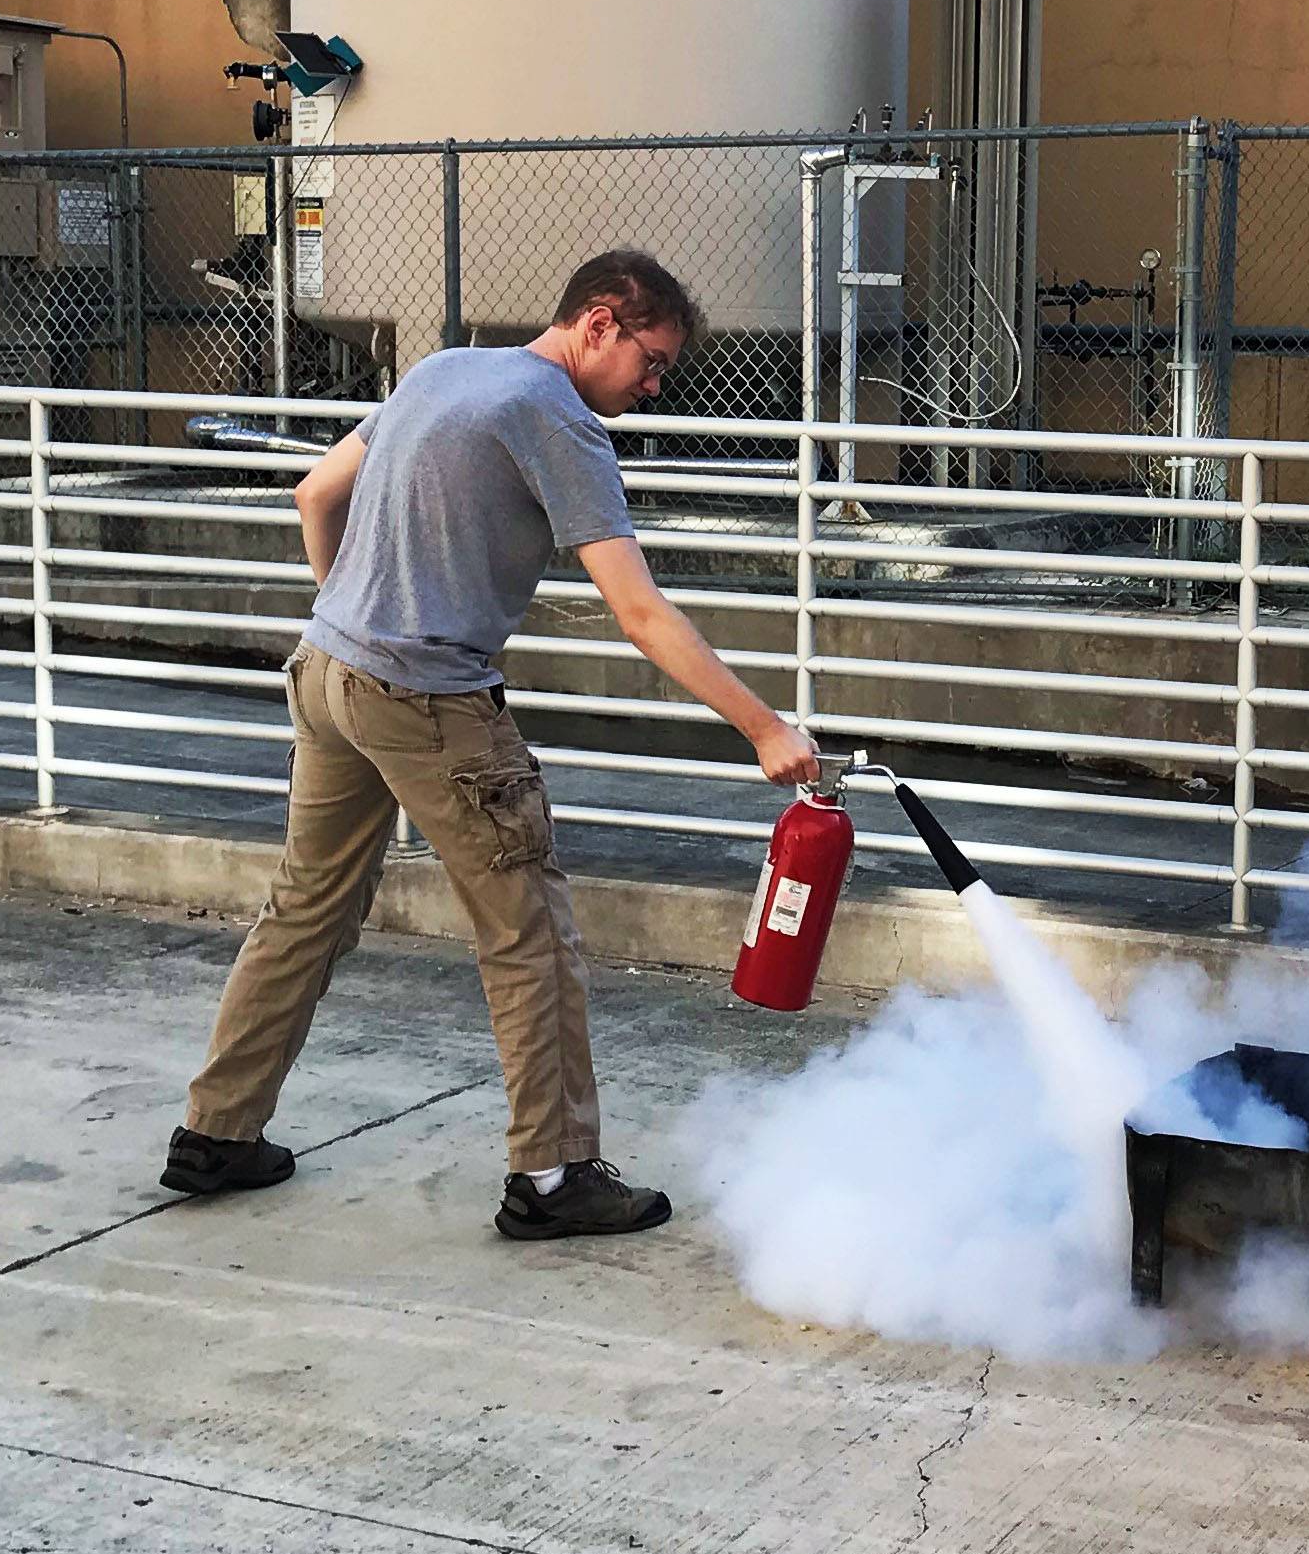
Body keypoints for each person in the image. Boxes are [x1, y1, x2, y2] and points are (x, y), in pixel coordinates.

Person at [160, 250, 820, 1239]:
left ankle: (213, 1133)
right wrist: (763, 724)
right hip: (429, 696)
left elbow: (314, 494)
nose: (652, 383)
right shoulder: (557, 416)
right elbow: (637, 610)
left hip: (327, 671)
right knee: (530, 936)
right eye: (651, 359)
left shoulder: (443, 369)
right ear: (601, 321)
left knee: (304, 910)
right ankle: (554, 1177)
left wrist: (349, 612)